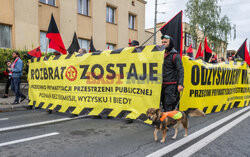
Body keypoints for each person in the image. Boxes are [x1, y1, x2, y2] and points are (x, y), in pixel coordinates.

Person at [161, 35, 184, 111]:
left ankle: (170, 122)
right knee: (163, 104)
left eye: (165, 42)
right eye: (162, 42)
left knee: (169, 104)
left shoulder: (175, 55)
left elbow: (180, 70)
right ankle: (166, 120)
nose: (163, 43)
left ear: (170, 43)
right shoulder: (160, 54)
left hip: (171, 85)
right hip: (161, 84)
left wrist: (180, 84)